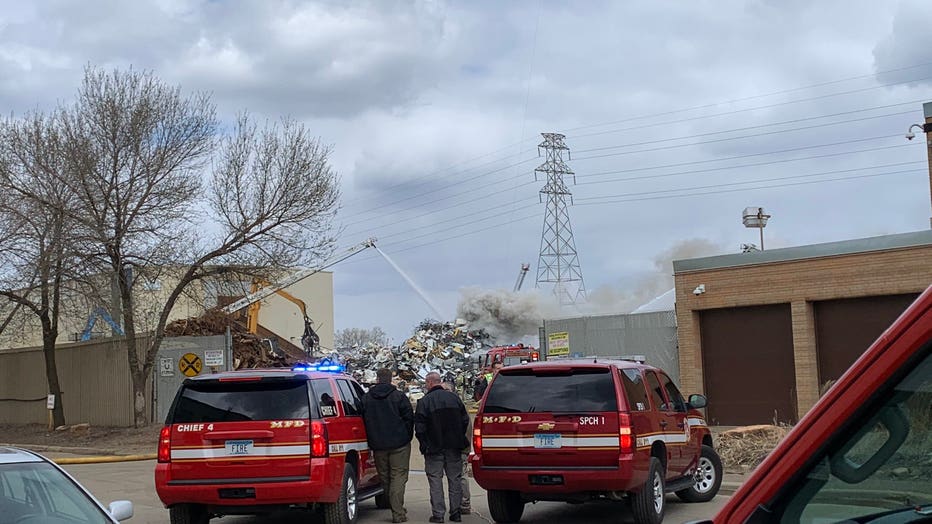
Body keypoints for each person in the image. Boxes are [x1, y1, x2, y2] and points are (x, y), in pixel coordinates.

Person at [415, 371, 470, 523]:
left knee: (435, 480)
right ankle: (456, 512)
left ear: (430, 383)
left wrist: (425, 444)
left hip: (433, 449)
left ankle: (438, 515)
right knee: (455, 479)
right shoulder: (454, 399)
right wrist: (458, 437)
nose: (426, 386)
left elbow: (419, 428)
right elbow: (465, 420)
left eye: (426, 383)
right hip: (454, 446)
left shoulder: (424, 402)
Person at [362, 368, 414, 523]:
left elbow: (362, 418)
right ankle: (398, 513)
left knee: (385, 478)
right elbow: (409, 418)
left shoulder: (366, 398)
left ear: (377, 379)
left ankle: (395, 507)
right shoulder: (399, 397)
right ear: (391, 379)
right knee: (398, 476)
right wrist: (406, 436)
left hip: (378, 445)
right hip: (399, 444)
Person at [442, 381, 472, 515]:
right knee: (456, 476)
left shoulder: (459, 406)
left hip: (460, 448)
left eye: (445, 390)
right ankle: (459, 503)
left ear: (452, 391)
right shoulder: (451, 405)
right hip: (452, 447)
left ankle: (464, 503)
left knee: (461, 475)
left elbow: (467, 429)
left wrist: (464, 447)